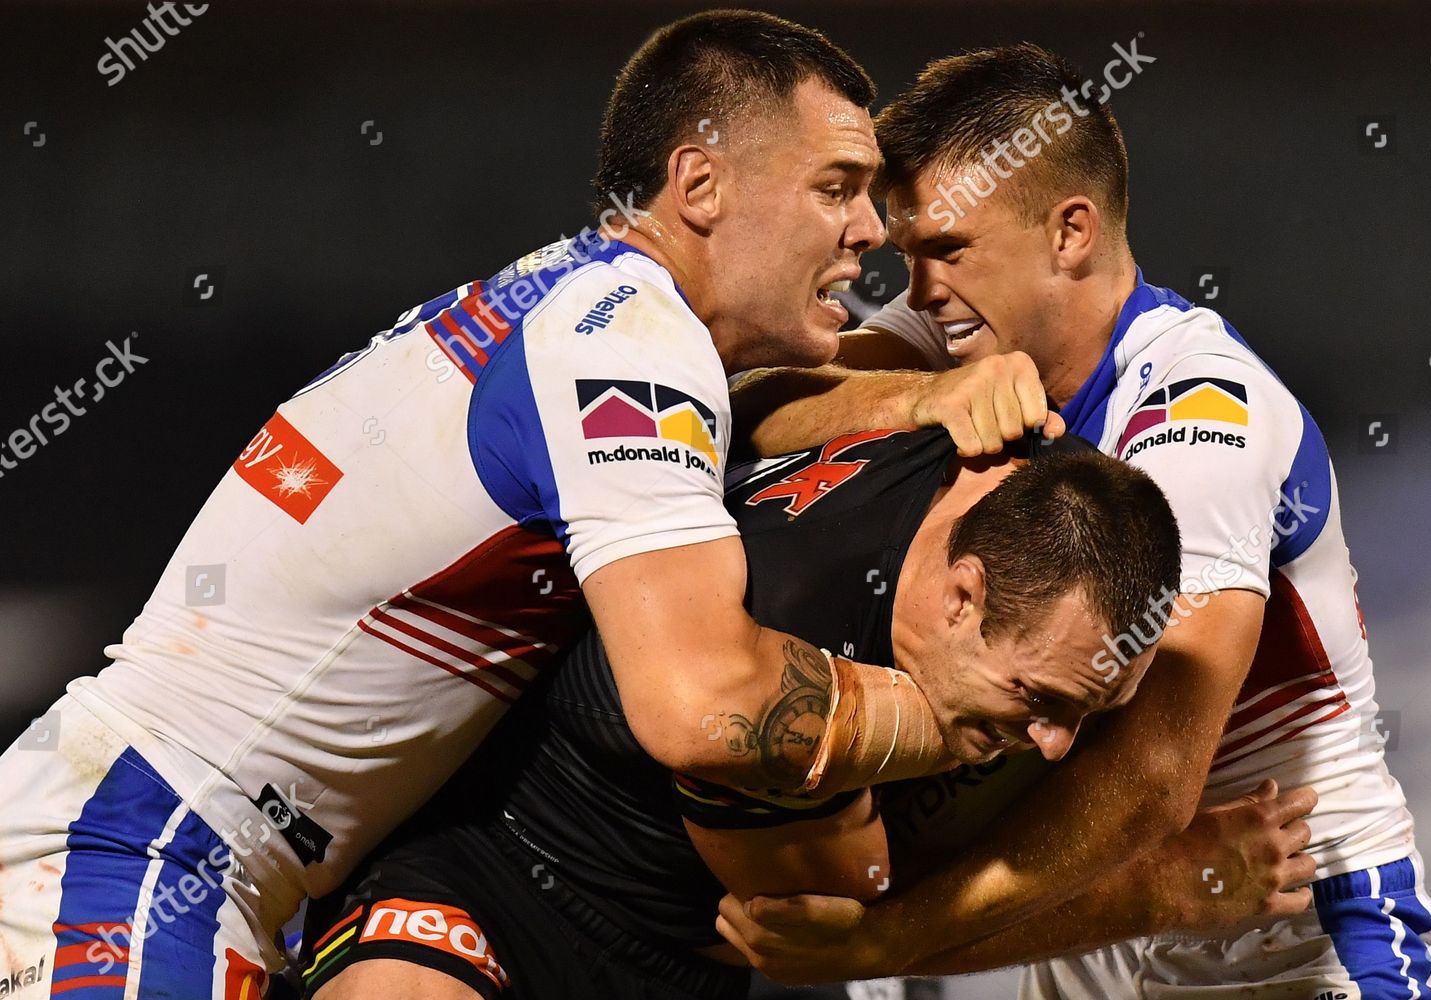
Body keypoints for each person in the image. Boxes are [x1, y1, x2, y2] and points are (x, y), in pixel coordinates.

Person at [0, 15, 1059, 995]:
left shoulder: (582, 307)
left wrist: (919, 394)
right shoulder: (629, 347)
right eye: (838, 185)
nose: (873, 230)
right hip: (139, 861)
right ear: (700, 185)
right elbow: (702, 704)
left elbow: (738, 413)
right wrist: (959, 715)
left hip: (143, 833)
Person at [728, 42, 1431, 999]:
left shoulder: (1198, 421)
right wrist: (901, 402)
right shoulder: (952, 338)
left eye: (948, 250)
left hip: (1278, 916)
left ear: (1070, 232)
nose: (921, 289)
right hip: (1089, 901)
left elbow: (1151, 778)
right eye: (906, 258)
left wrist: (885, 941)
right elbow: (742, 410)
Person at [297, 429, 1311, 1000]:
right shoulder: (784, 662)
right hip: (491, 880)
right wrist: (1155, 892)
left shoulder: (1027, 489)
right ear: (959, 594)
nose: (1055, 745)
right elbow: (847, 927)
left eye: (1087, 714)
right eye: (1039, 703)